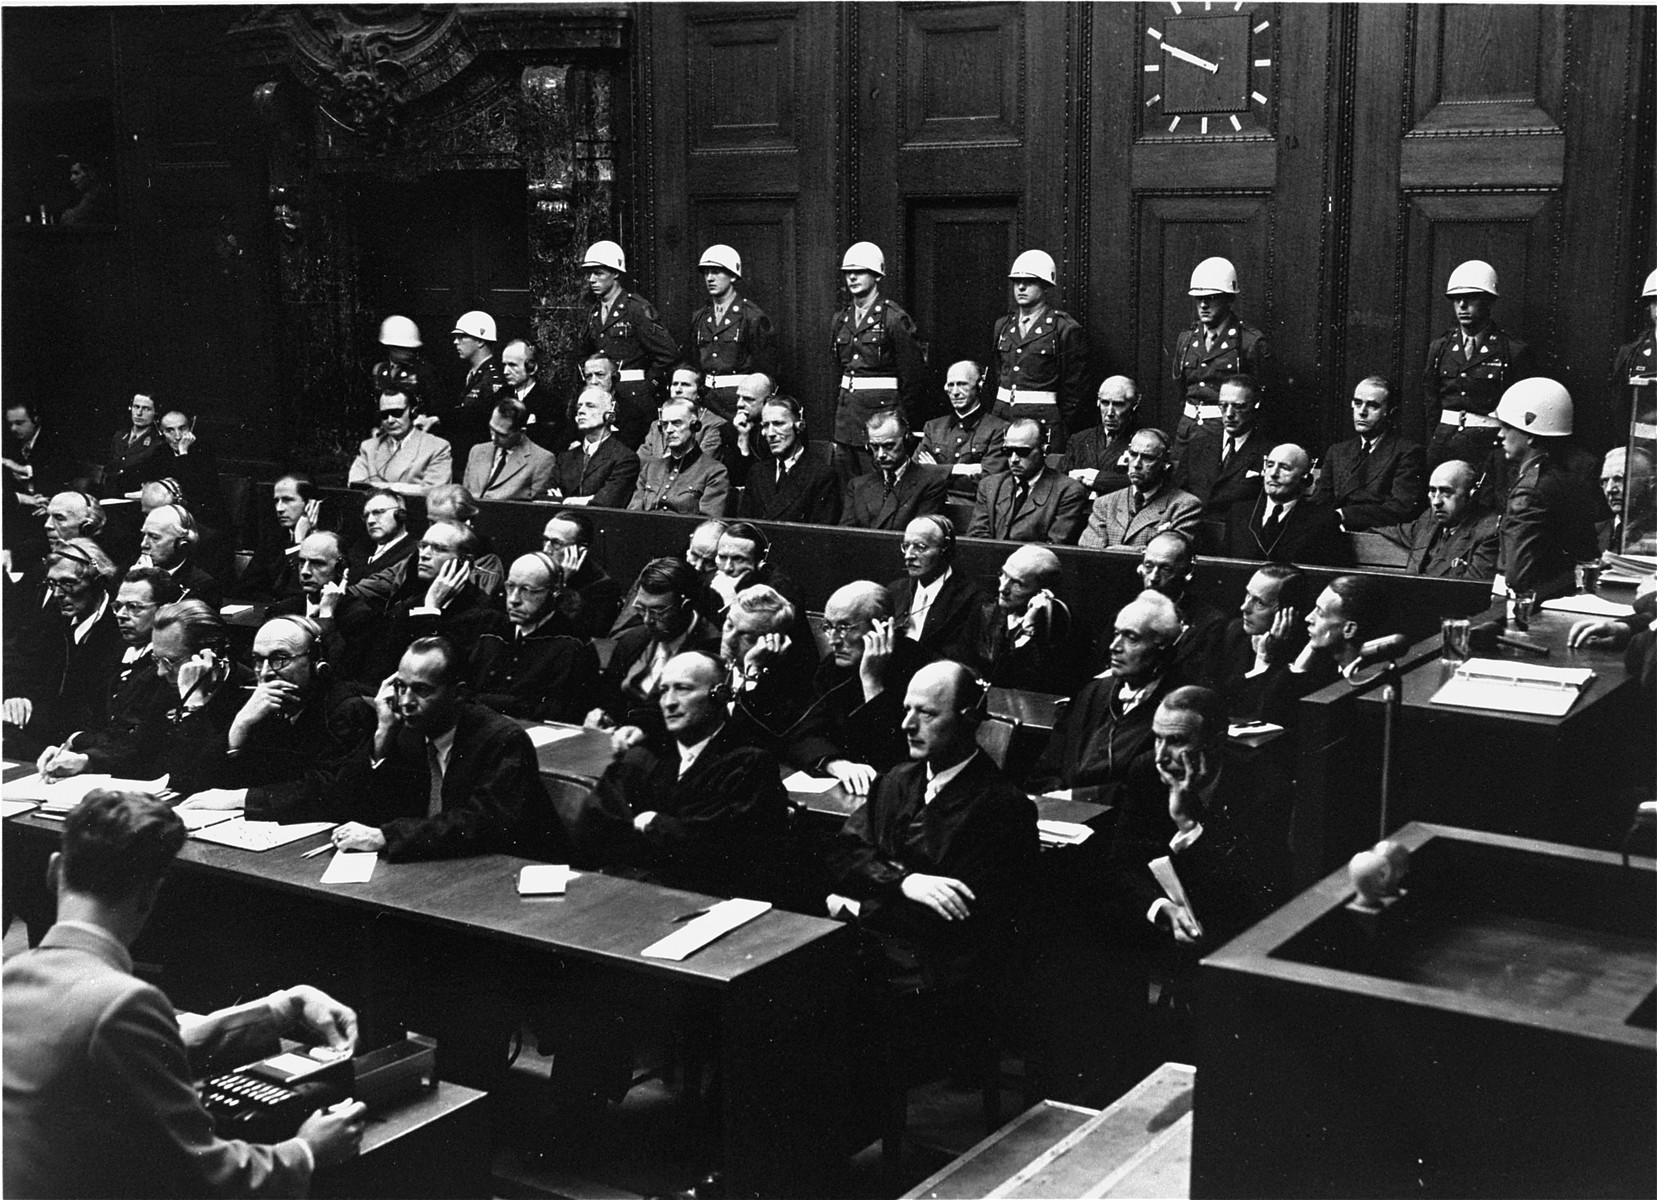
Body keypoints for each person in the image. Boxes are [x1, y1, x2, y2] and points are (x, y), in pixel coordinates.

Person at [2, 790, 367, 1198]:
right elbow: (205, 1178)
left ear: (54, 873)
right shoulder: (124, 1002)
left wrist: (282, 1007)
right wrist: (307, 1151)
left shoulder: (13, 974)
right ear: (150, 895)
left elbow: (143, 1049)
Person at [828, 661, 1040, 991]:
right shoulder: (895, 780)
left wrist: (857, 901)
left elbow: (955, 918)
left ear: (968, 718)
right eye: (906, 710)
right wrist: (904, 882)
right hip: (873, 953)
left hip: (937, 978)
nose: (907, 725)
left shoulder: (1003, 807)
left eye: (926, 713)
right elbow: (843, 855)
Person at [571, 650, 791, 902]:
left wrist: (651, 823)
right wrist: (669, 832)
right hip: (634, 896)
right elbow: (594, 833)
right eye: (664, 690)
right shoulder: (641, 758)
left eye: (683, 689)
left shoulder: (749, 764)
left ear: (718, 695)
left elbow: (718, 854)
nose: (669, 702)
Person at [1106, 686, 1293, 972]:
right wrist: (1161, 908)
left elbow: (1252, 891)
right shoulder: (1146, 772)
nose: (1161, 756)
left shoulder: (1263, 785)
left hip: (1235, 930)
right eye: (1157, 739)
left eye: (1177, 741)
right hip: (1166, 920)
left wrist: (1186, 823)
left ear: (1216, 742)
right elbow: (1123, 862)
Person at [330, 636, 544, 860]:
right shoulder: (405, 730)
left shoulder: (503, 740)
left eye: (421, 690)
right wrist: (383, 734)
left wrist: (388, 836)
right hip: (431, 867)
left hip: (500, 870)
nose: (405, 702)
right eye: (401, 687)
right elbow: (350, 804)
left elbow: (483, 824)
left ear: (458, 693)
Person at [174, 616, 376, 820]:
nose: (265, 672)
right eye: (258, 660)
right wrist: (240, 726)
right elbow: (192, 780)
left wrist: (240, 798)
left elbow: (330, 791)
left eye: (280, 659)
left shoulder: (345, 709)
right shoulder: (258, 707)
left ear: (316, 662)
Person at [1027, 591, 1186, 805]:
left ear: (1163, 647)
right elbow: (1047, 765)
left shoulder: (1175, 710)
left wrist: (1075, 798)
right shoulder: (1094, 692)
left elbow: (1150, 788)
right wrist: (1055, 796)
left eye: (1131, 638)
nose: (1114, 647)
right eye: (1116, 634)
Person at [32, 567, 183, 781]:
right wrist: (69, 746)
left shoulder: (168, 666)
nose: (121, 615)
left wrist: (84, 752)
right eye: (118, 606)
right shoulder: (113, 650)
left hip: (140, 778)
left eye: (134, 607)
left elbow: (140, 742)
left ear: (165, 611)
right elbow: (89, 713)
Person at [334, 519, 500, 687]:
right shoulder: (406, 606)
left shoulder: (484, 613)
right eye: (423, 546)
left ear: (465, 562)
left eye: (439, 549)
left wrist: (431, 607)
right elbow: (376, 670)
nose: (425, 554)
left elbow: (439, 675)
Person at [3, 538, 124, 755]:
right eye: (52, 584)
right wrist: (14, 695)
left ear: (98, 580)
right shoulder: (52, 618)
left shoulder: (119, 631)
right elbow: (16, 659)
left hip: (86, 744)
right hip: (45, 733)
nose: (58, 594)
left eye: (68, 583)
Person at [1493, 378, 1602, 601]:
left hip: (1530, 606)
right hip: (1570, 598)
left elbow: (1517, 577)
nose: (1500, 435)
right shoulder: (1571, 479)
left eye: (1507, 427)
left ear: (1531, 434)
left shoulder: (1529, 493)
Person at [830, 241, 929, 482]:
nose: (852, 277)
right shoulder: (841, 319)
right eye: (848, 273)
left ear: (876, 275)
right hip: (846, 423)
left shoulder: (894, 318)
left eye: (860, 271)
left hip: (881, 421)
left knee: (879, 484)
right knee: (848, 487)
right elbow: (840, 369)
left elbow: (913, 378)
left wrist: (898, 423)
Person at [589, 557, 722, 731]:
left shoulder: (709, 650)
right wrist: (600, 714)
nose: (647, 620)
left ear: (686, 606)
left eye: (658, 611)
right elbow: (609, 696)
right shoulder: (634, 639)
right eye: (641, 609)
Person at [467, 553, 600, 723]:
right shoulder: (492, 632)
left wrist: (485, 702)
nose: (513, 600)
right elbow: (463, 691)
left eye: (527, 590)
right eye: (510, 587)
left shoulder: (573, 645)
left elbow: (556, 712)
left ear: (554, 595)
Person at [577, 241, 679, 448]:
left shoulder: (636, 309)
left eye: (598, 273)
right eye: (589, 275)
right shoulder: (594, 312)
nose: (592, 280)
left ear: (615, 273)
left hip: (633, 396)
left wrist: (647, 384)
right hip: (604, 395)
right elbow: (587, 353)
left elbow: (668, 353)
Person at [990, 249, 1090, 445]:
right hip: (1003, 420)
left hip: (1043, 424)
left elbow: (1074, 390)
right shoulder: (1003, 326)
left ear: (1045, 287)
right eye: (1017, 282)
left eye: (1029, 282)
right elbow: (998, 373)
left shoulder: (1063, 328)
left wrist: (1060, 425)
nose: (1021, 287)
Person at [1171, 259, 1272, 447]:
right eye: (1199, 299)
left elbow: (1260, 399)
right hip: (1187, 431)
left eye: (1211, 298)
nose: (1203, 305)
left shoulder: (1249, 342)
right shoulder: (1186, 340)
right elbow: (1181, 390)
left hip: (1225, 434)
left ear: (1229, 299)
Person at [1307, 375, 1427, 531]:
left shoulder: (1407, 453)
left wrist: (1344, 515)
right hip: (1333, 534)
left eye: (1372, 406)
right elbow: (1320, 501)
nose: (1362, 412)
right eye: (1357, 403)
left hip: (1375, 540)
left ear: (1390, 412)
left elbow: (1401, 508)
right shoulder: (1337, 452)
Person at [970, 544, 1089, 695]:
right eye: (1003, 574)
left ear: (1044, 591)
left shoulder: (1062, 625)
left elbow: (1032, 685)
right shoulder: (985, 611)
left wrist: (1028, 629)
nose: (1002, 588)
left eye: (1017, 583)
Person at [686, 245, 776, 420]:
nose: (709, 278)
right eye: (706, 273)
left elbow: (767, 370)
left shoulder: (752, 316)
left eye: (717, 272)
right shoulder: (700, 317)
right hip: (707, 400)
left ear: (733, 275)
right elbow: (693, 361)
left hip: (737, 402)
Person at [1224, 443, 1351, 565]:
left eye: (1285, 468)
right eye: (1270, 465)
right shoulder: (1239, 513)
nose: (1273, 474)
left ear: (1305, 478)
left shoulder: (1322, 521)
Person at [1175, 374, 1269, 536]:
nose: (1229, 414)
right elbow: (1176, 494)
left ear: (1256, 405)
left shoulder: (1268, 453)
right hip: (1192, 533)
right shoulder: (1197, 446)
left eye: (1238, 406)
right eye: (1223, 405)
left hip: (1239, 538)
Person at [968, 418, 1088, 544]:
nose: (1013, 459)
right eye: (1008, 451)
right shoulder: (990, 486)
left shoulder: (1068, 491)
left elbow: (1055, 545)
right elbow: (977, 537)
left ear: (1045, 450)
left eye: (1022, 452)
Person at [1135, 530, 1229, 689]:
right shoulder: (1127, 612)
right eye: (1148, 566)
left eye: (1165, 569)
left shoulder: (1210, 624)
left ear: (1188, 572)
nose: (1153, 578)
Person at [1216, 564, 1308, 726]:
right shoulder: (1233, 632)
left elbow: (1259, 717)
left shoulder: (1301, 652)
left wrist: (1264, 661)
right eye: (1247, 595)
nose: (1244, 607)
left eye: (1259, 603)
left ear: (1287, 613)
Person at [1080, 428, 1202, 549]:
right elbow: (1090, 552)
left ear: (1165, 464)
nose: (1137, 464)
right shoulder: (1105, 503)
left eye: (1147, 458)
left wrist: (1117, 551)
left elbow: (1172, 554)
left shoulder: (1184, 506)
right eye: (1133, 454)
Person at [888, 515, 983, 664]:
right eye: (906, 546)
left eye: (920, 547)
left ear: (944, 549)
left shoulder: (971, 598)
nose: (908, 556)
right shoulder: (895, 590)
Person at [840, 409, 949, 531]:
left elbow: (921, 536)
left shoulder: (930, 485)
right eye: (875, 447)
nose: (881, 454)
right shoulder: (858, 486)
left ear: (907, 441)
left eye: (889, 446)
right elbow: (845, 537)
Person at [916, 360, 1011, 498]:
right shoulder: (933, 427)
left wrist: (935, 471)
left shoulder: (998, 429)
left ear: (979, 385)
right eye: (951, 385)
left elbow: (987, 482)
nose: (955, 392)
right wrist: (960, 469)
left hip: (973, 509)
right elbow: (915, 475)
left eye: (962, 384)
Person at [740, 394, 841, 524]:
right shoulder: (757, 473)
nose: (770, 433)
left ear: (800, 426)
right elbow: (744, 529)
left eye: (778, 423)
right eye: (765, 425)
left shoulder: (821, 476)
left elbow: (820, 536)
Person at [1398, 459, 1501, 579]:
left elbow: (1473, 590)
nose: (1436, 501)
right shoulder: (1428, 519)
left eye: (1446, 492)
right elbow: (1393, 532)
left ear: (1472, 495)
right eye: (1432, 491)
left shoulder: (1490, 531)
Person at [628, 397, 732, 516]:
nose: (669, 430)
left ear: (695, 426)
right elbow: (633, 516)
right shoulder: (650, 469)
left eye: (676, 423)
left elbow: (707, 525)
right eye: (664, 424)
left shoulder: (714, 472)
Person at [229, 473, 316, 605]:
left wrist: (299, 542)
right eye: (276, 501)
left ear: (310, 504)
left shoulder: (325, 543)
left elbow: (299, 596)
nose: (279, 508)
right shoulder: (274, 540)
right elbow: (243, 590)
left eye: (288, 500)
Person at [430, 309, 504, 462]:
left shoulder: (493, 377)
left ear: (481, 341)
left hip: (482, 454)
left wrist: (438, 419)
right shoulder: (472, 373)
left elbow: (475, 416)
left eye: (462, 336)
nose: (456, 342)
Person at [348, 388, 454, 496]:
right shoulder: (369, 447)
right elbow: (355, 484)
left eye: (396, 413)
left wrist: (388, 487)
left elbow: (436, 491)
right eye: (384, 415)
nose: (390, 420)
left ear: (413, 412)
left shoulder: (437, 447)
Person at [550, 386, 641, 508]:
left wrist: (565, 500)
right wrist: (589, 499)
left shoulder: (625, 458)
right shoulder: (564, 458)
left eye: (590, 406)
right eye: (579, 406)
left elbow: (608, 501)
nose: (581, 411)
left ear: (610, 414)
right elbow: (543, 495)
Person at [540, 510, 623, 638]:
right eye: (546, 540)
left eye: (556, 543)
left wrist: (562, 585)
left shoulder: (604, 587)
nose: (546, 549)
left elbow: (583, 635)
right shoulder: (536, 569)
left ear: (580, 551)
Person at [462, 398, 557, 501]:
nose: (493, 438)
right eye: (491, 429)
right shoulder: (477, 451)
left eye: (502, 435)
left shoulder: (542, 460)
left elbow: (536, 509)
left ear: (521, 432)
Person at [1061, 375, 1140, 497]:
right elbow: (1059, 480)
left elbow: (1142, 482)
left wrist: (1095, 477)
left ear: (1134, 406)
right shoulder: (1079, 439)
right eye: (1104, 403)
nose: (1109, 413)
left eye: (1118, 404)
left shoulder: (1142, 441)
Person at [138, 502, 224, 608]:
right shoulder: (126, 573)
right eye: (144, 535)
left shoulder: (203, 586)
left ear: (181, 545)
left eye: (154, 538)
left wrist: (147, 583)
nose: (144, 544)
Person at [503, 337, 571, 454]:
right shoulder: (499, 397)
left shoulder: (550, 403)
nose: (506, 371)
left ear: (531, 367)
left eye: (512, 365)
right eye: (504, 365)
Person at [100, 392, 165, 496]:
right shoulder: (119, 436)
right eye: (136, 407)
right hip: (109, 494)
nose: (139, 413)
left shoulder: (158, 442)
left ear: (155, 412)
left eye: (146, 409)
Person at [372, 314, 439, 414]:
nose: (409, 352)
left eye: (411, 348)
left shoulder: (424, 372)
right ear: (391, 347)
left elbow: (433, 406)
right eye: (403, 347)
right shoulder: (379, 370)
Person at [346, 487, 417, 580]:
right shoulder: (359, 548)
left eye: (378, 512)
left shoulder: (413, 552)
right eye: (366, 515)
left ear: (400, 514)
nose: (370, 521)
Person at [725, 372, 779, 487]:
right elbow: (735, 480)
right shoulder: (733, 428)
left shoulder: (781, 428)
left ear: (768, 400)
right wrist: (742, 438)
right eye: (738, 397)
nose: (739, 404)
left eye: (748, 399)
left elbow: (769, 479)